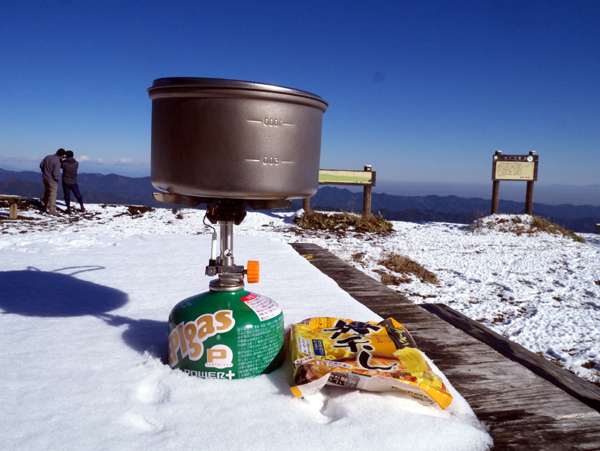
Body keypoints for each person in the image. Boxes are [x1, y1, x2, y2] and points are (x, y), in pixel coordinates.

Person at [39, 148, 66, 215]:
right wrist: (57, 179)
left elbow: (41, 165)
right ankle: (52, 210)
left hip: (45, 178)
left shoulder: (47, 157)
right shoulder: (57, 162)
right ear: (62, 156)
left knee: (47, 192)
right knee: (53, 194)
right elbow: (56, 173)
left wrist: (44, 171)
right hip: (52, 180)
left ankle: (46, 205)